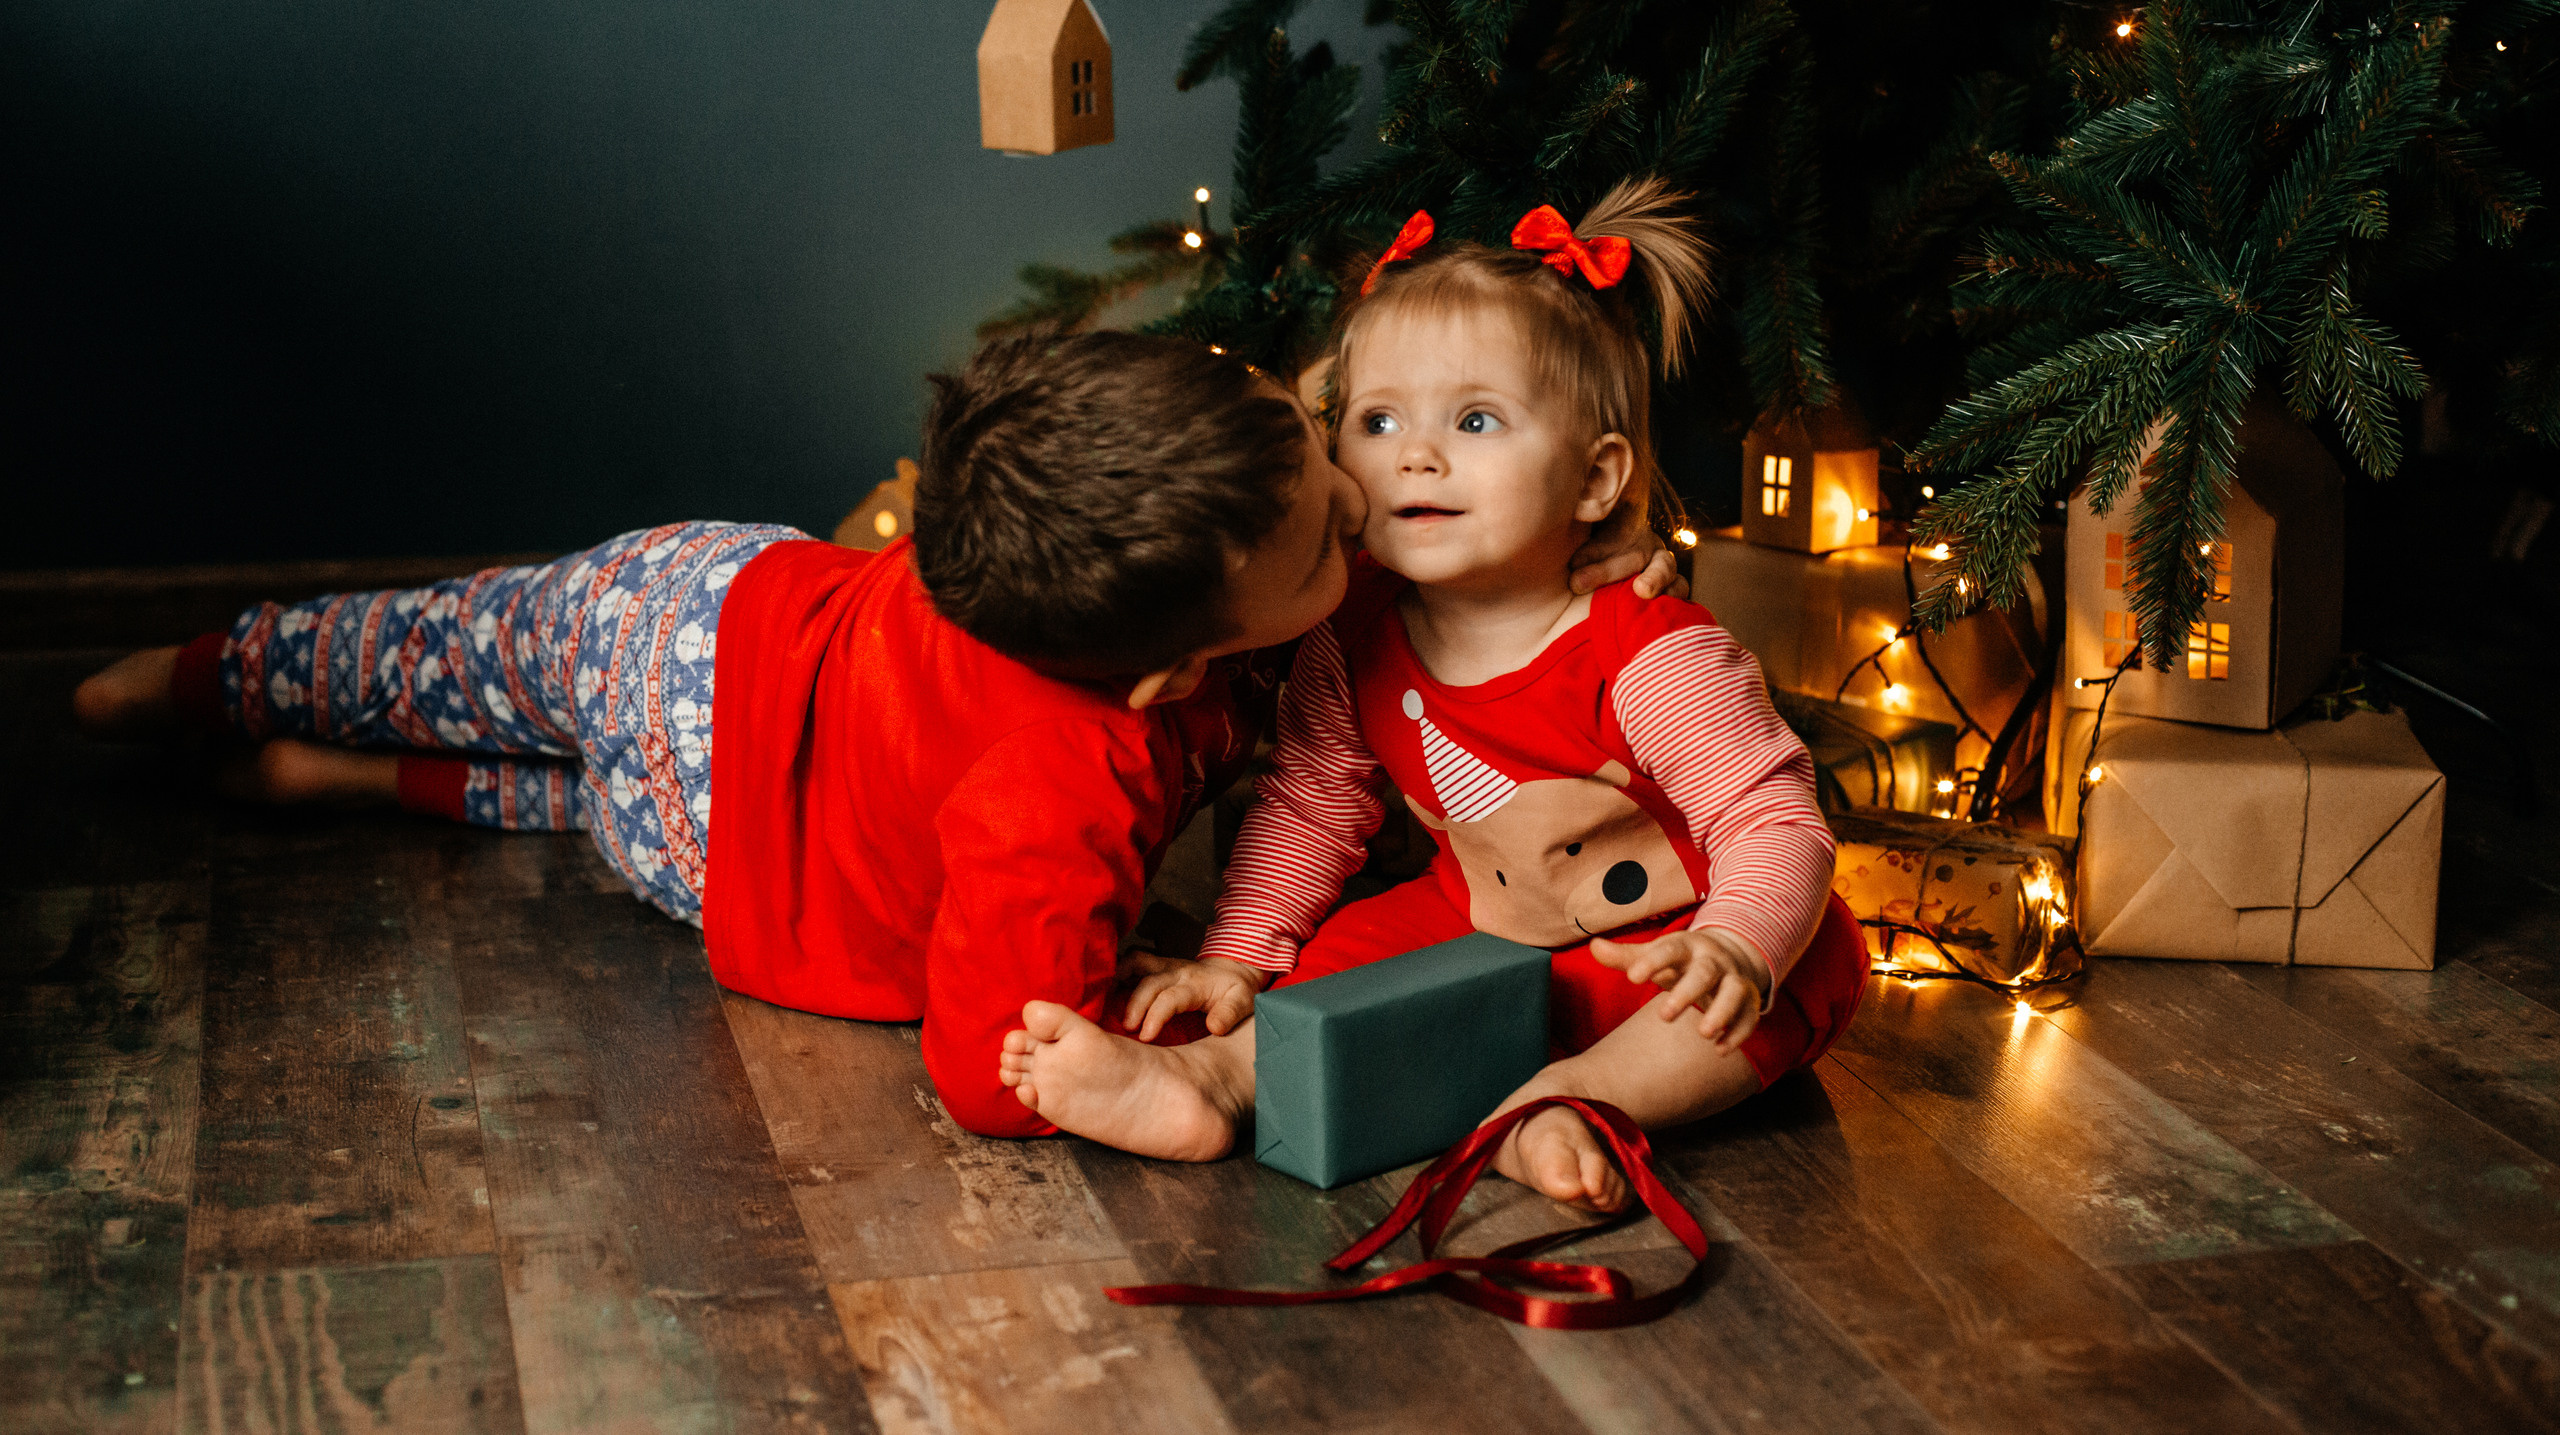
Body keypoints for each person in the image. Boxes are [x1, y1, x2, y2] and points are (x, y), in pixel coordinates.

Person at [73, 328, 1673, 1136]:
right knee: (546, 778)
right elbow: (991, 1063)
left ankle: (219, 677)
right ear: (1167, 683)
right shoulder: (1076, 771)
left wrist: (1578, 579)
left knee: (434, 641)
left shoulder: (1065, 536)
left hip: (701, 618)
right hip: (704, 835)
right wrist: (1113, 1065)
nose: (1365, 496)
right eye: (1334, 522)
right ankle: (304, 742)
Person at [999, 179, 1867, 1206]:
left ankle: (1579, 1101)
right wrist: (1237, 961)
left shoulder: (1648, 652)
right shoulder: (1355, 625)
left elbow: (1772, 817)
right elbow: (1314, 801)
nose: (1415, 453)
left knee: (1798, 973)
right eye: (1376, 419)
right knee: (1359, 946)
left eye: (1475, 419)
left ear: (1595, 482)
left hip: (1658, 952)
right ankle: (1216, 1083)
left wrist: (1735, 942)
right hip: (1473, 928)